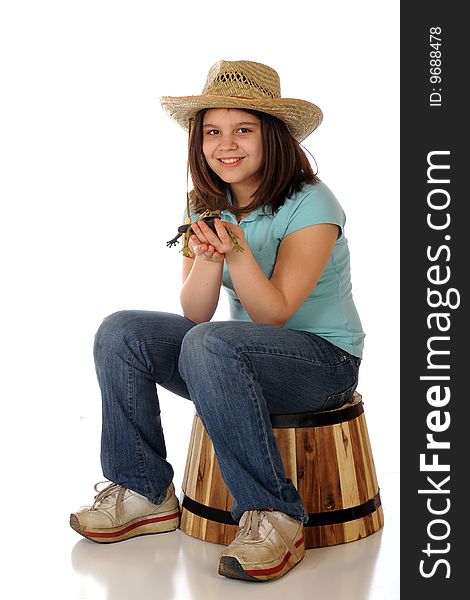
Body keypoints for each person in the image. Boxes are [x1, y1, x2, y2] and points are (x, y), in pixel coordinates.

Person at [70, 59, 365, 582]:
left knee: (209, 343)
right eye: (212, 132)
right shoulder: (205, 203)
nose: (225, 144)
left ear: (272, 137)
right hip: (227, 360)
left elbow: (274, 313)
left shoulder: (313, 204)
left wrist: (237, 252)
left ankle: (274, 514)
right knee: (123, 331)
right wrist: (208, 256)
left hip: (323, 363)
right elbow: (195, 312)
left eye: (243, 130)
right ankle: (143, 490)